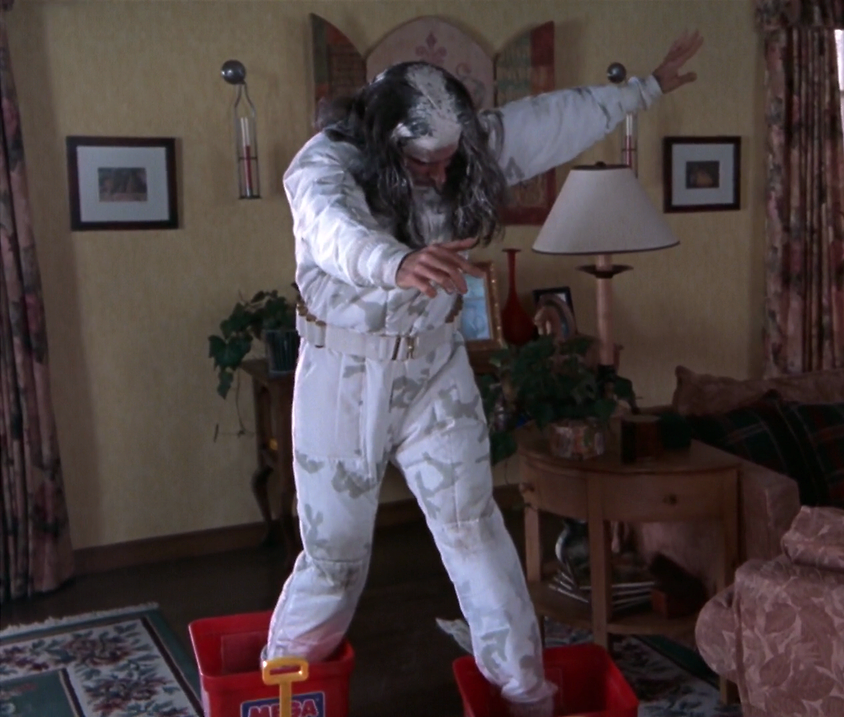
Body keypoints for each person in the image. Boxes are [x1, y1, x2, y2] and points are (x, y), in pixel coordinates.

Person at [266, 31, 703, 717]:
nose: (441, 174)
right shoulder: (326, 162)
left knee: (476, 530)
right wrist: (395, 263)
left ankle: (527, 698)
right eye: (424, 163)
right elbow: (331, 229)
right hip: (344, 374)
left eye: (451, 159)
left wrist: (645, 88)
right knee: (335, 557)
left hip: (434, 367)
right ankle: (279, 693)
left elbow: (548, 122)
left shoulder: (465, 147)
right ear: (386, 143)